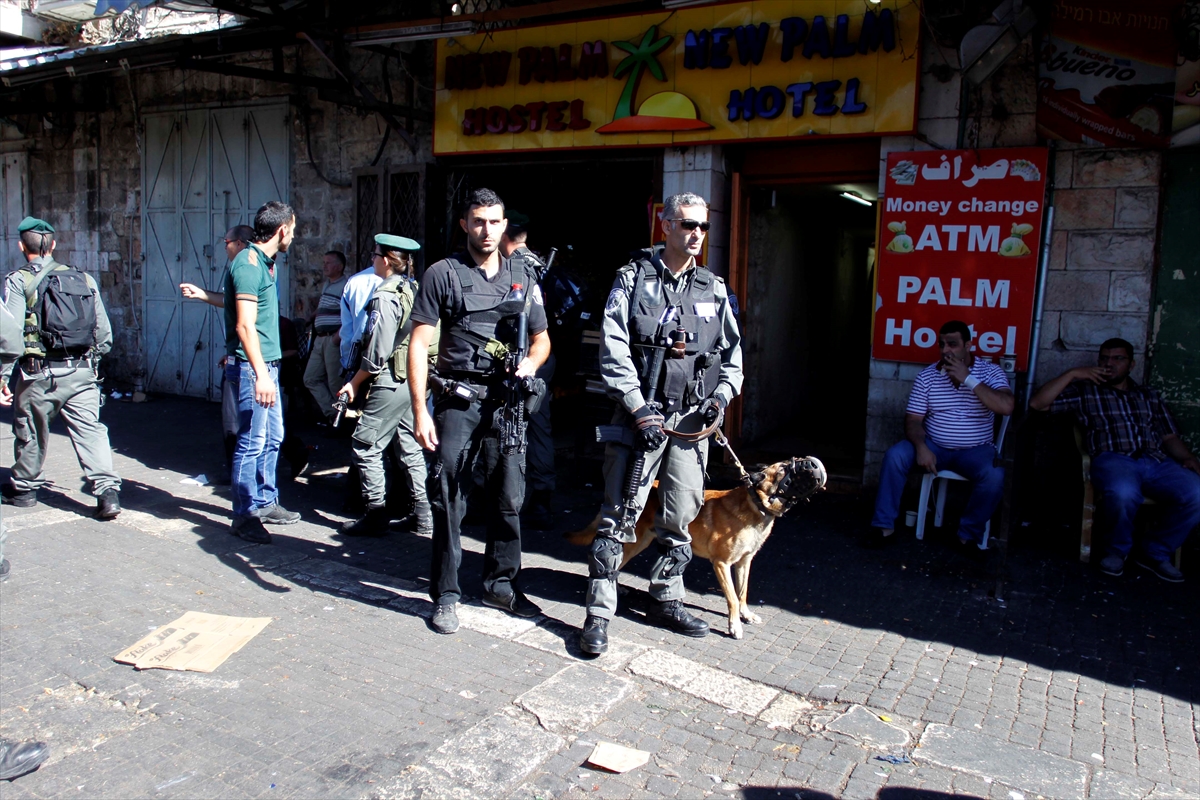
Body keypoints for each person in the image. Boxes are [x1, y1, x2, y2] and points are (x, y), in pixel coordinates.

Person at [579, 192, 743, 656]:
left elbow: (732, 356)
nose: (696, 235)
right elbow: (612, 348)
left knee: (681, 516)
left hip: (691, 423)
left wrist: (720, 399)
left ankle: (666, 596)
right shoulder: (633, 279)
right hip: (640, 419)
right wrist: (636, 406)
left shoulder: (713, 287)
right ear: (664, 224)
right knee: (619, 514)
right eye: (688, 225)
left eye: (703, 228)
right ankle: (598, 612)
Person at [408, 188, 551, 635]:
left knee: (509, 496)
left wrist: (530, 362)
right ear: (464, 225)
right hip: (458, 399)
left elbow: (543, 339)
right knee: (450, 495)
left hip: (506, 401)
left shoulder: (525, 277)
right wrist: (420, 411)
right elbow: (418, 344)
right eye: (478, 221)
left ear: (504, 224)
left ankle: (500, 585)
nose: (486, 230)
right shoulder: (442, 274)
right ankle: (447, 594)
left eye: (494, 221)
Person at [1030, 338, 1200, 582]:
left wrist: (1187, 457)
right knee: (1123, 493)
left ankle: (1155, 551)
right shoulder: (1086, 391)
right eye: (1104, 358)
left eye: (1117, 359)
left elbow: (1169, 435)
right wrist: (1073, 373)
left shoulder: (1147, 395)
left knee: (1196, 493)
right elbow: (1038, 403)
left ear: (1131, 364)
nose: (1109, 364)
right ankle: (1116, 551)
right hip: (1113, 459)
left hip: (1155, 460)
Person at [0, 217, 122, 519]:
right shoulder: (83, 279)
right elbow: (104, 334)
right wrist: (90, 362)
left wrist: (3, 376)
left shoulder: (18, 280)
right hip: (82, 372)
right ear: (53, 245)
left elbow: (11, 336)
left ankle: (25, 488)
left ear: (20, 246)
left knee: (30, 429)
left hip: (39, 374)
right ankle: (107, 493)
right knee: (90, 431)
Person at [867, 320, 1014, 548]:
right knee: (895, 456)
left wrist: (968, 378)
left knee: (995, 476)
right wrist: (921, 446)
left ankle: (967, 537)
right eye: (942, 344)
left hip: (976, 450)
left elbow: (1006, 406)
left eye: (953, 344)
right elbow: (913, 420)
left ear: (968, 345)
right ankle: (883, 527)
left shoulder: (990, 372)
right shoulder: (928, 376)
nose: (946, 350)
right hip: (934, 445)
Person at [339, 234, 433, 538]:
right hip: (416, 377)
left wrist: (353, 383)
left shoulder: (385, 294)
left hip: (392, 378)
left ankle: (375, 513)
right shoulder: (415, 289)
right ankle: (423, 514)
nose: (371, 259)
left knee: (366, 445)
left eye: (374, 255)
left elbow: (377, 353)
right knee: (408, 445)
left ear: (386, 259)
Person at [223, 201, 301, 543]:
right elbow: (244, 325)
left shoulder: (265, 264)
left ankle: (266, 501)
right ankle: (244, 516)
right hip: (255, 369)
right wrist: (262, 375)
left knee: (273, 438)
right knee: (250, 443)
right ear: (282, 230)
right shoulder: (249, 265)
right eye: (293, 230)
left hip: (268, 365)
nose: (293, 237)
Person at [183, 225, 256, 477]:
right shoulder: (245, 270)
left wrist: (240, 351)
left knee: (237, 421)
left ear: (239, 243)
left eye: (226, 242)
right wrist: (201, 294)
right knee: (246, 420)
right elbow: (229, 301)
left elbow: (247, 322)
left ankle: (241, 476)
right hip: (241, 355)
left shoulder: (247, 270)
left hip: (246, 358)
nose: (224, 247)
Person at [500, 211, 555, 530]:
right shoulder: (540, 265)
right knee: (538, 428)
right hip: (542, 355)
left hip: (521, 357)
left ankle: (506, 497)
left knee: (508, 426)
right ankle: (542, 498)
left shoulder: (511, 267)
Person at [303, 251, 348, 422]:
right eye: (324, 262)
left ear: (340, 266)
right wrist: (312, 317)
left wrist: (338, 336)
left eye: (328, 263)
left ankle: (340, 421)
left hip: (332, 339)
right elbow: (325, 307)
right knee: (310, 378)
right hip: (319, 339)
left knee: (335, 383)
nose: (324, 266)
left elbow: (352, 314)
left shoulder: (346, 286)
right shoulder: (328, 285)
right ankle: (334, 415)